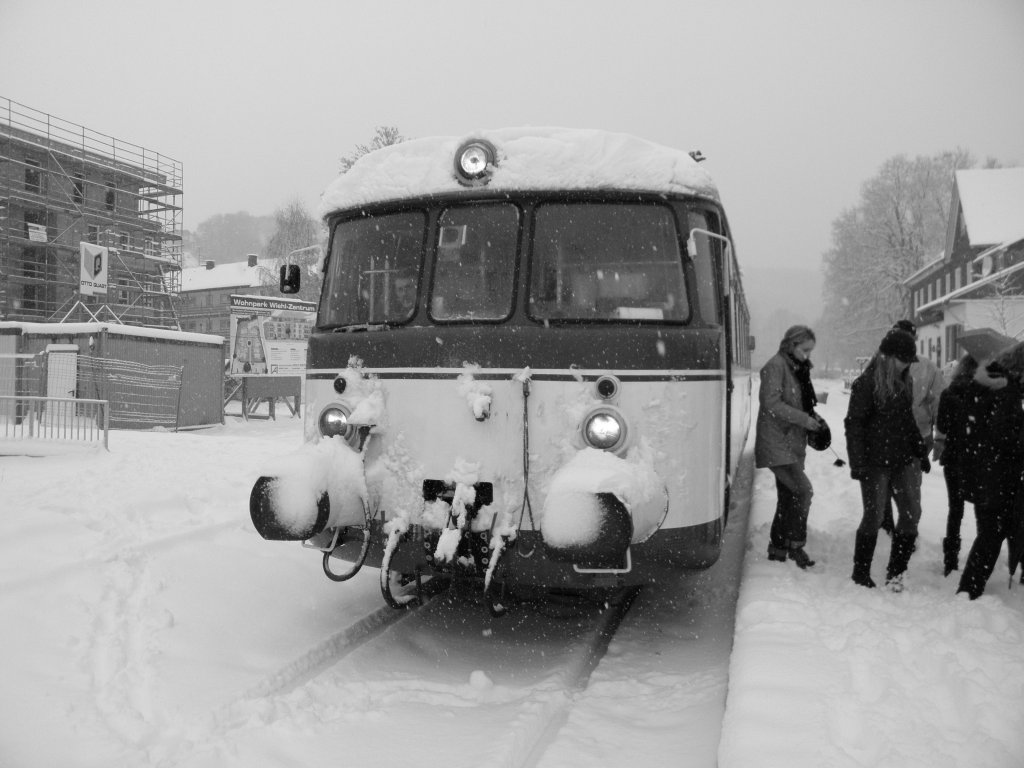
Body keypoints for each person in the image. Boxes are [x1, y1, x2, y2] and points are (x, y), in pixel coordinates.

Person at [844, 328, 929, 590]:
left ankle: (896, 572)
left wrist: (919, 450)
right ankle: (861, 574)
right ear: (888, 357)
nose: (907, 366)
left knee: (911, 513)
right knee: (874, 515)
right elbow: (854, 425)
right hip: (874, 462)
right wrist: (857, 462)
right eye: (904, 360)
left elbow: (907, 420)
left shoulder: (905, 382)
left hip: (901, 459)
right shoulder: (866, 384)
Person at [956, 341, 1024, 600]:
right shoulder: (1005, 392)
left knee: (991, 535)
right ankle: (968, 592)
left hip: (985, 472)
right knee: (990, 537)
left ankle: (969, 590)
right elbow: (1002, 436)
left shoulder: (992, 384)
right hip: (994, 475)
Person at [754, 325, 823, 569]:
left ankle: (778, 548)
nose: (807, 355)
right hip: (777, 442)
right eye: (805, 350)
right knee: (803, 491)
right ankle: (795, 545)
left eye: (810, 351)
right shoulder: (776, 366)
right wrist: (805, 419)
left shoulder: (797, 368)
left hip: (791, 442)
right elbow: (771, 402)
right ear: (791, 345)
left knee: (788, 496)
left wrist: (811, 417)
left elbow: (798, 401)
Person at [879, 320, 945, 536]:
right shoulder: (926, 367)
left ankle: (892, 524)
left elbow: (939, 403)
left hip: (905, 436)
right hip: (914, 434)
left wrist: (939, 436)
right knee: (910, 485)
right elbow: (939, 404)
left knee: (889, 482)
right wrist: (939, 436)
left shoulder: (884, 366)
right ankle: (906, 527)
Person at [933, 353, 977, 576]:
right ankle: (981, 560)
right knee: (984, 511)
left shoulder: (949, 393)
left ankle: (950, 560)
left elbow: (941, 425)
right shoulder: (985, 394)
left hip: (954, 458)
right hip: (978, 460)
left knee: (955, 510)